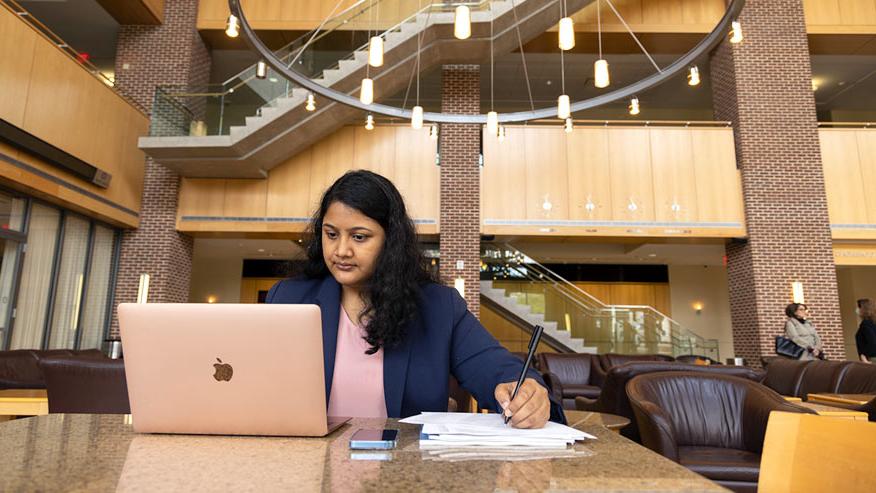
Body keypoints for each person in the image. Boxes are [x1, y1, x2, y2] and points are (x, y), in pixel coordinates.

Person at [266, 170, 563, 428]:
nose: (341, 250)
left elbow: (495, 368)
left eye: (359, 237)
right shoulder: (288, 298)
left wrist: (526, 393)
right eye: (332, 234)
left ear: (390, 242)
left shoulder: (438, 307)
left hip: (402, 474)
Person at [855, 298, 876, 364]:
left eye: (858, 307)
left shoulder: (866, 324)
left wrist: (863, 355)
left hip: (870, 359)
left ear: (863, 309)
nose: (856, 310)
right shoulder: (872, 322)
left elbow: (872, 341)